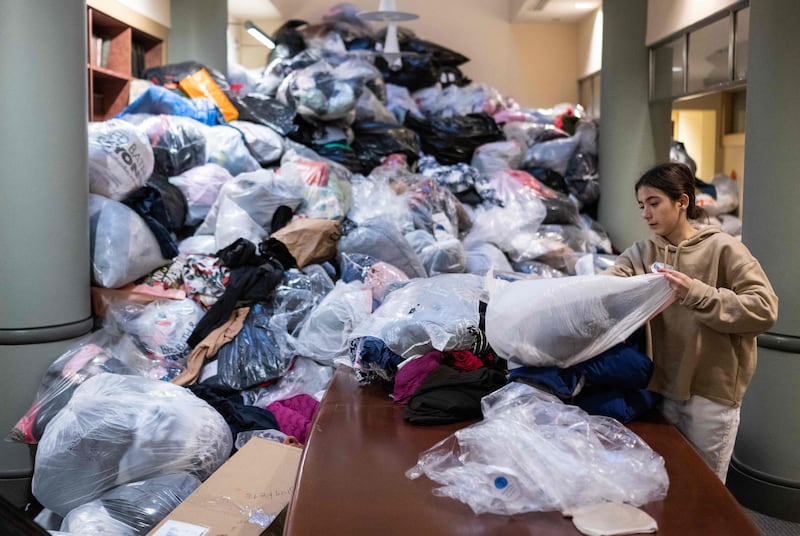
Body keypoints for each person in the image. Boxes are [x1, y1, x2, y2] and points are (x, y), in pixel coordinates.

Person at [604, 162, 778, 482]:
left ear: (682, 202)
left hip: (711, 395)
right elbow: (606, 288)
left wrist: (696, 293)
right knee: (669, 486)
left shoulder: (724, 248)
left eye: (654, 203)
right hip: (660, 389)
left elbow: (764, 308)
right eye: (642, 206)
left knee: (706, 490)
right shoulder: (642, 252)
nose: (645, 213)